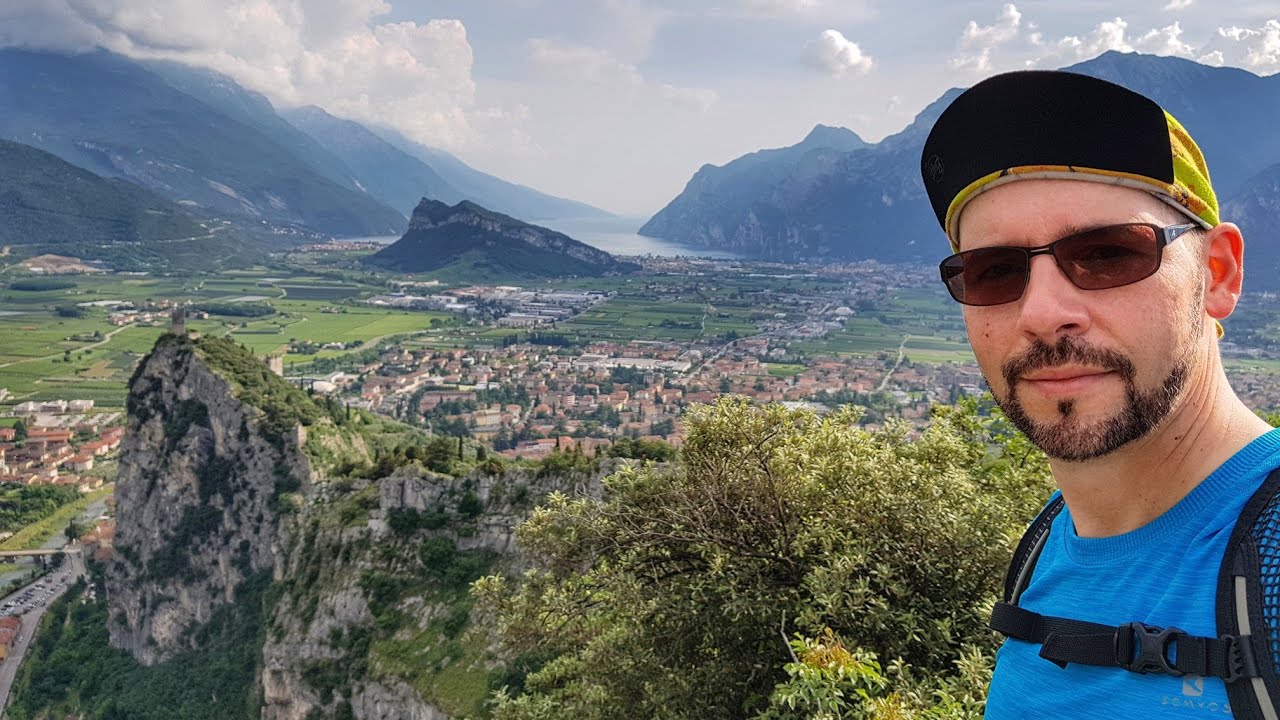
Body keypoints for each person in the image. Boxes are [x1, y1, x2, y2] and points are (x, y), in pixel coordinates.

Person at [920, 70, 1280, 717]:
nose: (1042, 311)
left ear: (1218, 275)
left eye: (1109, 252)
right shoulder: (1045, 548)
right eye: (995, 270)